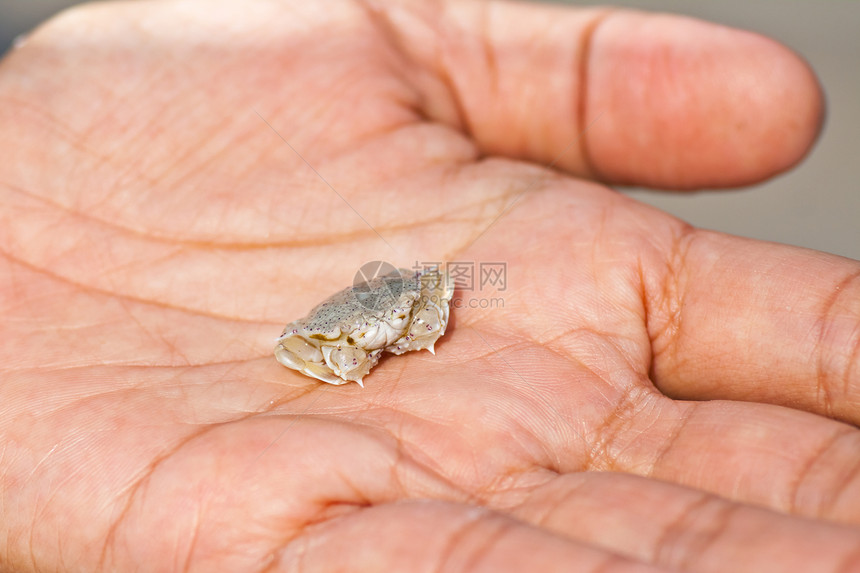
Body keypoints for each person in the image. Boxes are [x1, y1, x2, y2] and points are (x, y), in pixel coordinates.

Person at [0, 1, 856, 570]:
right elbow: (324, 336)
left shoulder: (418, 285)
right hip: (330, 331)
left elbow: (423, 309)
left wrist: (415, 317)